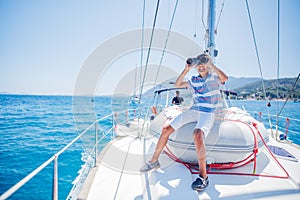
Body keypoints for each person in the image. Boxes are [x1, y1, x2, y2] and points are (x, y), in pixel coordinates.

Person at [140, 53, 228, 191]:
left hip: (208, 112)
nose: (200, 66)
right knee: (166, 128)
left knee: (197, 133)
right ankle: (154, 161)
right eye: (198, 64)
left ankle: (203, 177)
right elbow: (178, 84)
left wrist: (209, 63)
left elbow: (225, 78)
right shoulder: (193, 80)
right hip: (194, 110)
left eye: (203, 63)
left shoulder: (213, 78)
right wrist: (186, 69)